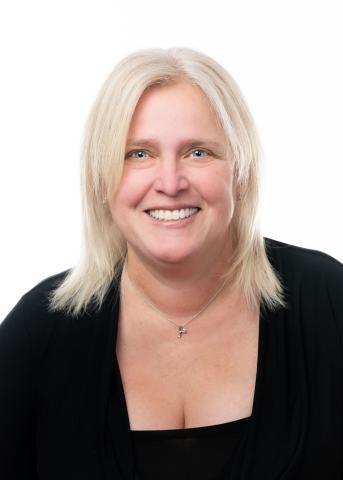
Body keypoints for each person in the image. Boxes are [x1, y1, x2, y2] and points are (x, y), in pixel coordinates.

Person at [0, 47, 342, 480]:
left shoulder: (329, 302)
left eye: (198, 152)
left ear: (240, 169)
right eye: (138, 154)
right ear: (101, 178)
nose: (169, 183)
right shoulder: (40, 329)